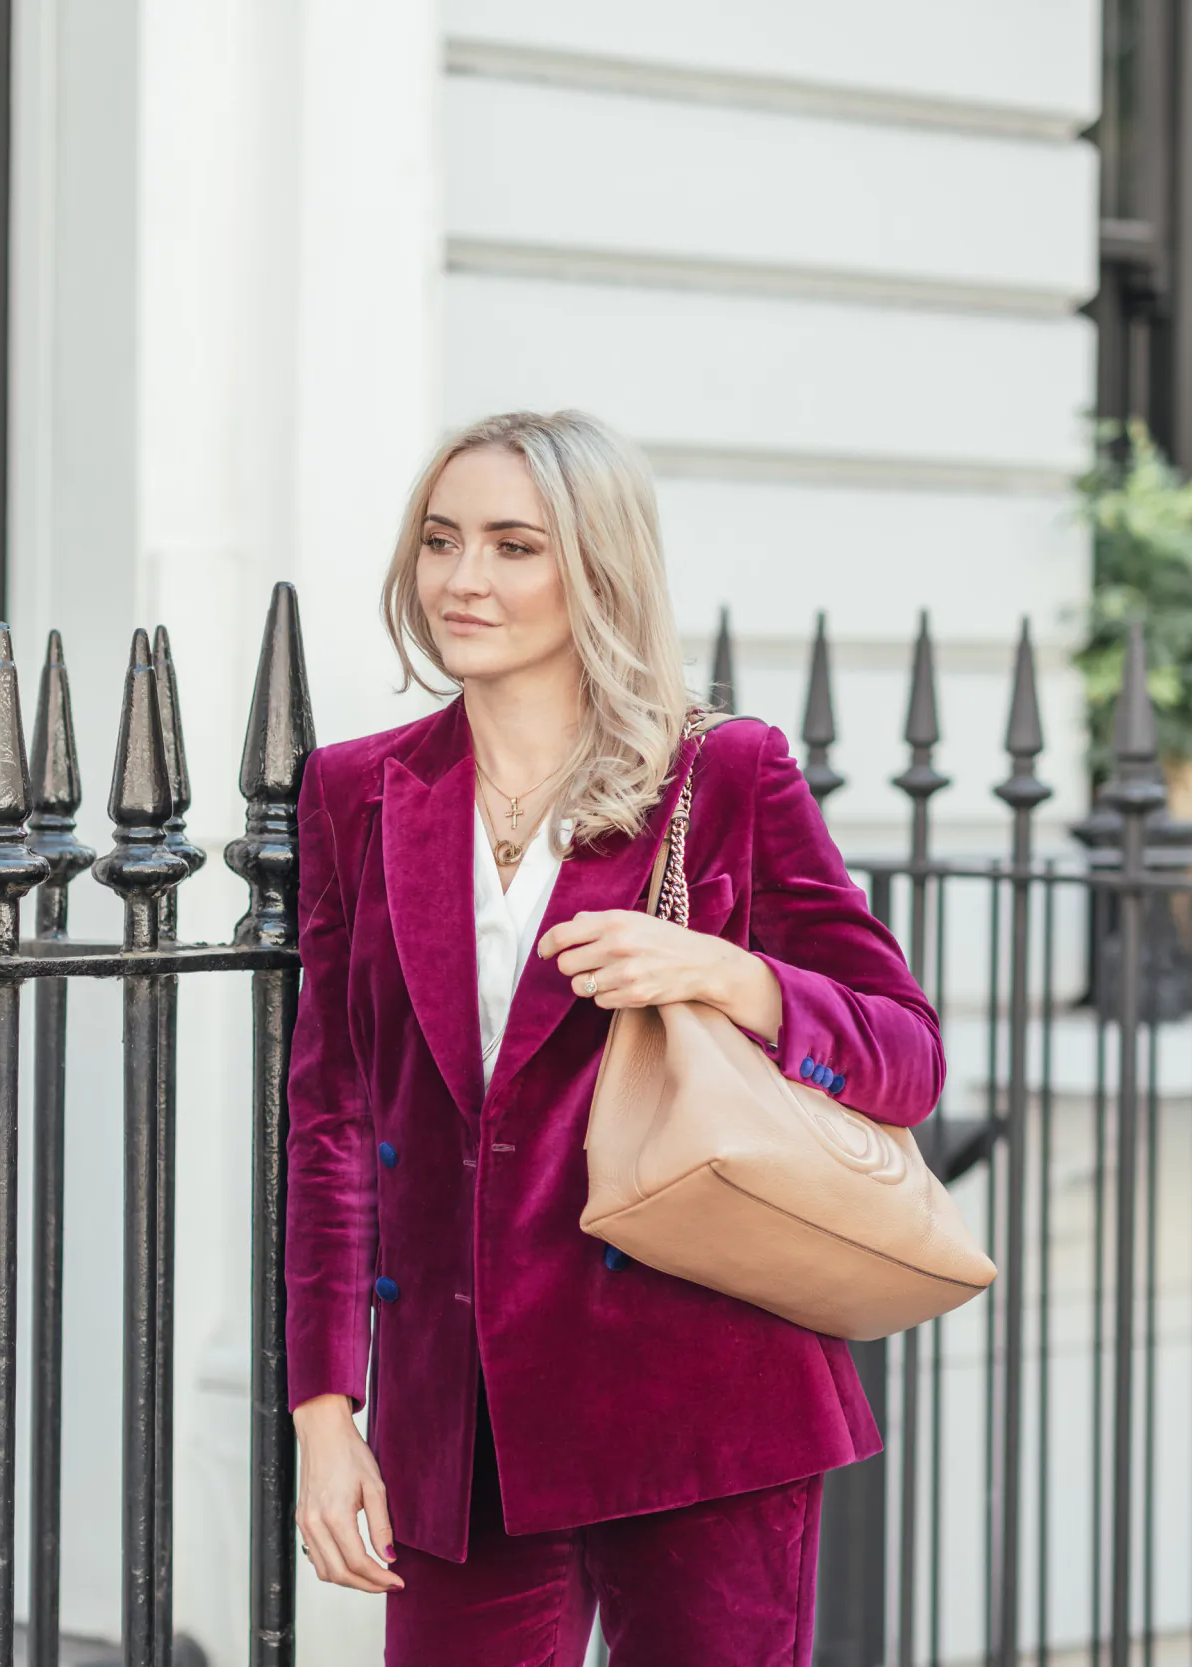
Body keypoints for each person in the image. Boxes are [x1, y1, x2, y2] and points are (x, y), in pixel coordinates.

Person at [285, 409, 945, 1664]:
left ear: (596, 569)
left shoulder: (727, 774)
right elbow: (333, 1118)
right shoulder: (356, 790)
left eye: (512, 544)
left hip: (701, 1392)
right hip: (458, 1417)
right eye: (440, 540)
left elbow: (904, 1052)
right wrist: (326, 1408)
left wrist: (731, 975)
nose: (463, 578)